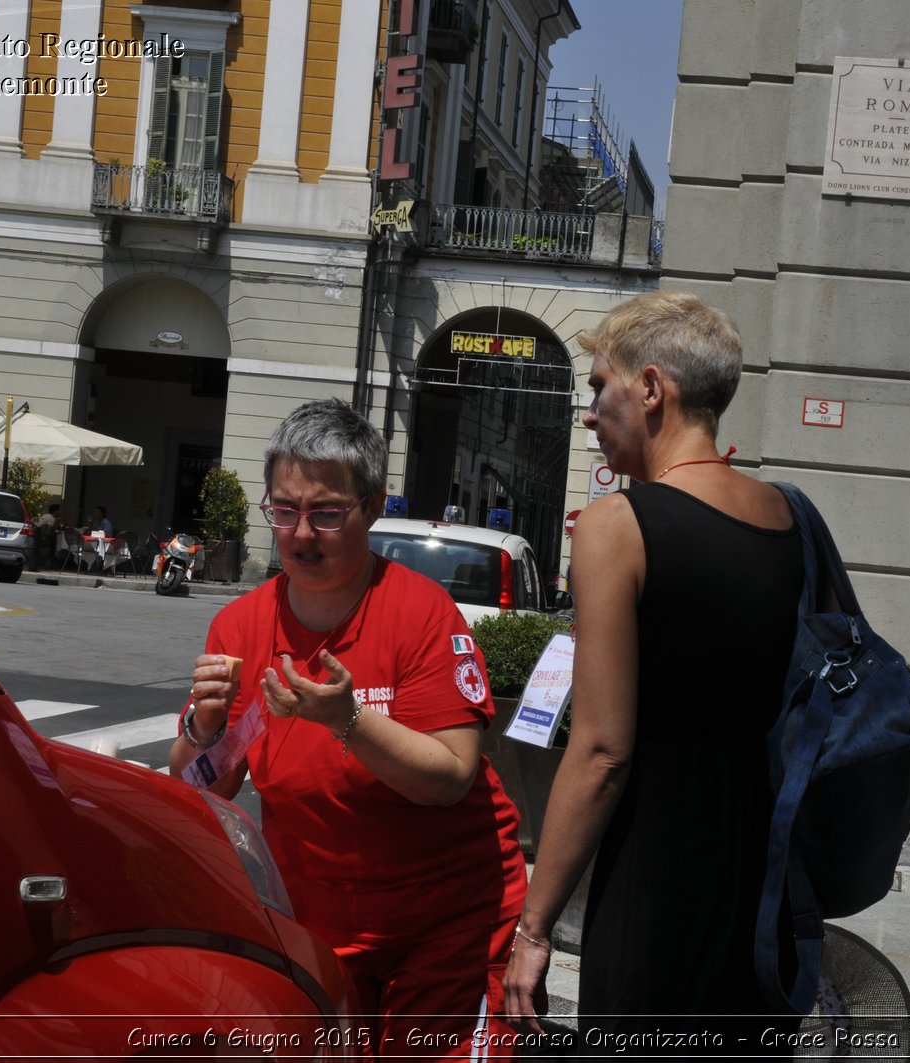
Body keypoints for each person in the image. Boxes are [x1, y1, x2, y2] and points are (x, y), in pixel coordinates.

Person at [169, 399, 528, 1060]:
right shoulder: (243, 628)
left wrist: (350, 720)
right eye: (283, 509)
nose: (301, 534)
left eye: (327, 513)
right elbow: (203, 786)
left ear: (372, 506)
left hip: (446, 918)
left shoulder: (421, 612)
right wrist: (204, 724)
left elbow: (451, 776)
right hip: (321, 919)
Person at [503, 292, 805, 1050]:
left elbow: (603, 750)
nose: (589, 410)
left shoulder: (618, 524)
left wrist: (534, 926)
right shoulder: (789, 516)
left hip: (659, 875)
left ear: (651, 389)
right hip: (764, 879)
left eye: (599, 386)